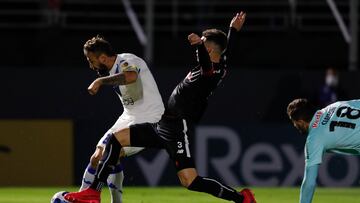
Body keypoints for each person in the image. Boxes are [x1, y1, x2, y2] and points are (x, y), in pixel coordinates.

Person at [65, 12, 256, 203]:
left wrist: (198, 45)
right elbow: (224, 51)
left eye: (204, 44)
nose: (199, 47)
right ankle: (93, 193)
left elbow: (207, 66)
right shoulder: (220, 62)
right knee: (115, 140)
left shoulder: (210, 72)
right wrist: (233, 31)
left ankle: (241, 198)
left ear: (210, 50)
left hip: (178, 128)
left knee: (190, 181)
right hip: (164, 122)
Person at [79, 35, 165, 203]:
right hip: (128, 116)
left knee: (111, 152)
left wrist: (99, 81)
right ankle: (82, 196)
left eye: (91, 60)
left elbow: (131, 76)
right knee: (96, 157)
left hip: (149, 119)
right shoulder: (112, 69)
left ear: (103, 58)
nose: (91, 65)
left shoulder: (127, 60)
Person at [287, 98, 360, 203]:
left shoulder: (314, 138)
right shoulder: (336, 105)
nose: (295, 126)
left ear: (300, 121)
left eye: (294, 122)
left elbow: (310, 183)